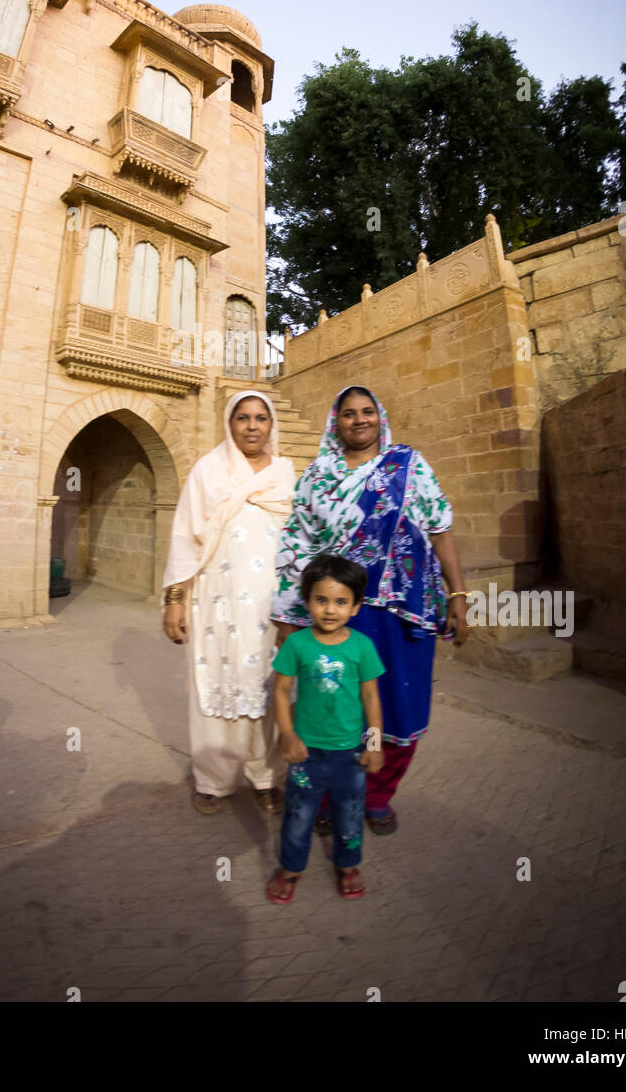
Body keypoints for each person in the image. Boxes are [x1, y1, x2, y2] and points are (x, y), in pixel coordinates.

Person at [272, 386, 470, 834]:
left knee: (401, 705)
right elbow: (295, 545)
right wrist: (286, 615)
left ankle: (378, 795)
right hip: (340, 615)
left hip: (404, 616)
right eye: (348, 414)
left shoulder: (409, 466)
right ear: (334, 423)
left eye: (367, 412)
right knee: (332, 708)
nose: (359, 420)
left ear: (379, 417)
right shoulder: (316, 478)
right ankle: (329, 794)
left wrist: (458, 596)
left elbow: (440, 531)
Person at [162, 390, 295, 815]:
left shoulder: (286, 475)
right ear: (230, 423)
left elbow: (303, 541)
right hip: (217, 605)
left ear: (271, 424)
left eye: (260, 418)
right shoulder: (208, 471)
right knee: (213, 691)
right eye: (243, 418)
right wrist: (175, 600)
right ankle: (212, 780)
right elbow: (185, 536)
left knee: (270, 690)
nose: (252, 426)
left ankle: (266, 776)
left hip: (271, 610)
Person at [267, 554, 385, 903]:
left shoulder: (362, 647)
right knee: (298, 814)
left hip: (350, 753)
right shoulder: (297, 644)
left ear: (356, 607)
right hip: (305, 751)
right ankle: (291, 867)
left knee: (349, 814)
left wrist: (374, 743)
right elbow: (281, 690)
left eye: (340, 602)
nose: (330, 610)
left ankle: (347, 865)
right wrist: (287, 734)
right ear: (307, 602)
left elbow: (371, 697)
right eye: (321, 600)